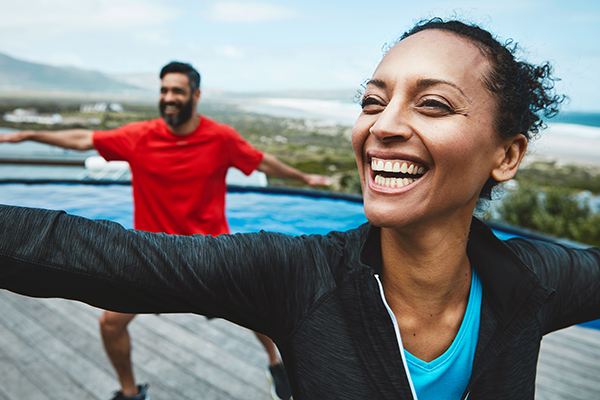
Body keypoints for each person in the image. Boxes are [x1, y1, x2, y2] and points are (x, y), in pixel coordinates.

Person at [0, 18, 599, 400]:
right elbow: (72, 251)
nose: (383, 126)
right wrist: (23, 139)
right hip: (194, 257)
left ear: (507, 154)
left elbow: (263, 163)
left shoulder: (534, 284)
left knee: (271, 335)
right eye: (371, 100)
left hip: (210, 239)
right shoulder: (296, 277)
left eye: (433, 105)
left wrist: (303, 174)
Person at [0, 61, 330, 400]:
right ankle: (130, 393)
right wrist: (29, 134)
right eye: (163, 90)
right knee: (110, 324)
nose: (169, 97)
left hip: (211, 253)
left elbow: (261, 161)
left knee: (262, 309)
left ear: (196, 95)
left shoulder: (221, 138)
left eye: (177, 91)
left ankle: (276, 364)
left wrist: (304, 178)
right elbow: (84, 138)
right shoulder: (138, 137)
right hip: (151, 255)